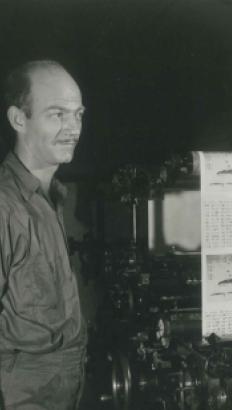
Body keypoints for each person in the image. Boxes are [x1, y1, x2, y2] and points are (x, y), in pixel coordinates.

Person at [0, 60, 87, 409]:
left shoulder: (52, 198)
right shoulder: (6, 207)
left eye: (78, 114)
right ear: (19, 119)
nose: (73, 128)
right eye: (57, 114)